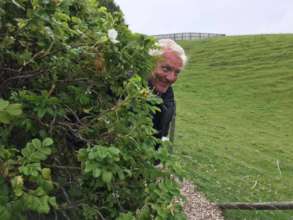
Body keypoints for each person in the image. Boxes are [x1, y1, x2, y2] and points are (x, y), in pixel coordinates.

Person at [148, 39, 187, 149]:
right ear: (149, 63)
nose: (171, 78)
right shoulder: (125, 91)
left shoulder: (168, 96)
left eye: (177, 72)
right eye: (166, 68)